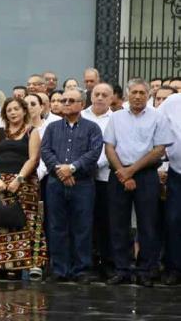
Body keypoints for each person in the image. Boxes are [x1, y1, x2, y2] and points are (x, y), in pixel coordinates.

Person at [104, 79, 173, 287]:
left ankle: (145, 270)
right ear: (127, 94)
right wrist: (123, 173)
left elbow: (159, 150)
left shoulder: (158, 117)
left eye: (142, 92)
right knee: (118, 225)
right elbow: (109, 147)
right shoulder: (116, 118)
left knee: (148, 224)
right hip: (118, 174)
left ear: (148, 95)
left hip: (146, 175)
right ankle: (122, 269)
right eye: (134, 92)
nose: (138, 96)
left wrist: (131, 171)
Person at [41, 88, 103, 284]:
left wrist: (73, 168)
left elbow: (94, 153)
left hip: (82, 184)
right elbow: (45, 150)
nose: (65, 103)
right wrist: (61, 170)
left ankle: (81, 269)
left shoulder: (92, 128)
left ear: (81, 104)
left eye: (70, 100)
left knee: (82, 227)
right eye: (63, 100)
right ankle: (60, 268)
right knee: (57, 226)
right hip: (56, 183)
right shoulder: (52, 128)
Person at [0, 98, 46, 280]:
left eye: (16, 109)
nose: (12, 113)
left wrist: (19, 179)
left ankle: (29, 265)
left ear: (23, 111)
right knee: (1, 221)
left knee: (25, 223)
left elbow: (33, 159)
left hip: (25, 183)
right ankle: (0, 264)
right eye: (9, 110)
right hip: (0, 182)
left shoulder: (32, 132)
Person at [81, 83, 114, 279]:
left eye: (105, 95)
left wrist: (95, 164)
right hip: (80, 178)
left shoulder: (116, 118)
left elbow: (112, 148)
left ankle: (107, 263)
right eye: (97, 94)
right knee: (85, 222)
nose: (100, 97)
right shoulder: (81, 116)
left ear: (112, 98)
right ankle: (88, 262)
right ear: (90, 96)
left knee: (105, 222)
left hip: (105, 177)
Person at [157, 92, 181, 285]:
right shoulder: (172, 102)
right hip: (177, 172)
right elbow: (158, 132)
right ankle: (174, 268)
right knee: (173, 220)